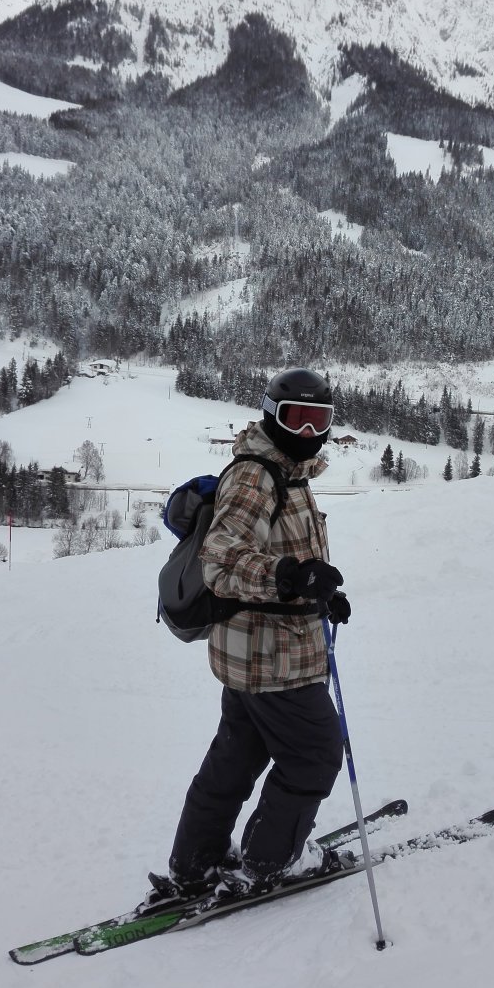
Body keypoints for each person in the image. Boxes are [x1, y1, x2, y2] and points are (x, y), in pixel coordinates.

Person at [166, 367, 352, 896]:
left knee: (236, 757)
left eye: (319, 420)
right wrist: (289, 577)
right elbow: (221, 560)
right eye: (297, 418)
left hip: (251, 651)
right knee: (315, 753)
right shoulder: (257, 477)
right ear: (273, 416)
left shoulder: (287, 472)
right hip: (274, 659)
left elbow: (286, 554)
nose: (308, 432)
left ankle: (195, 862)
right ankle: (273, 862)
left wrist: (317, 590)